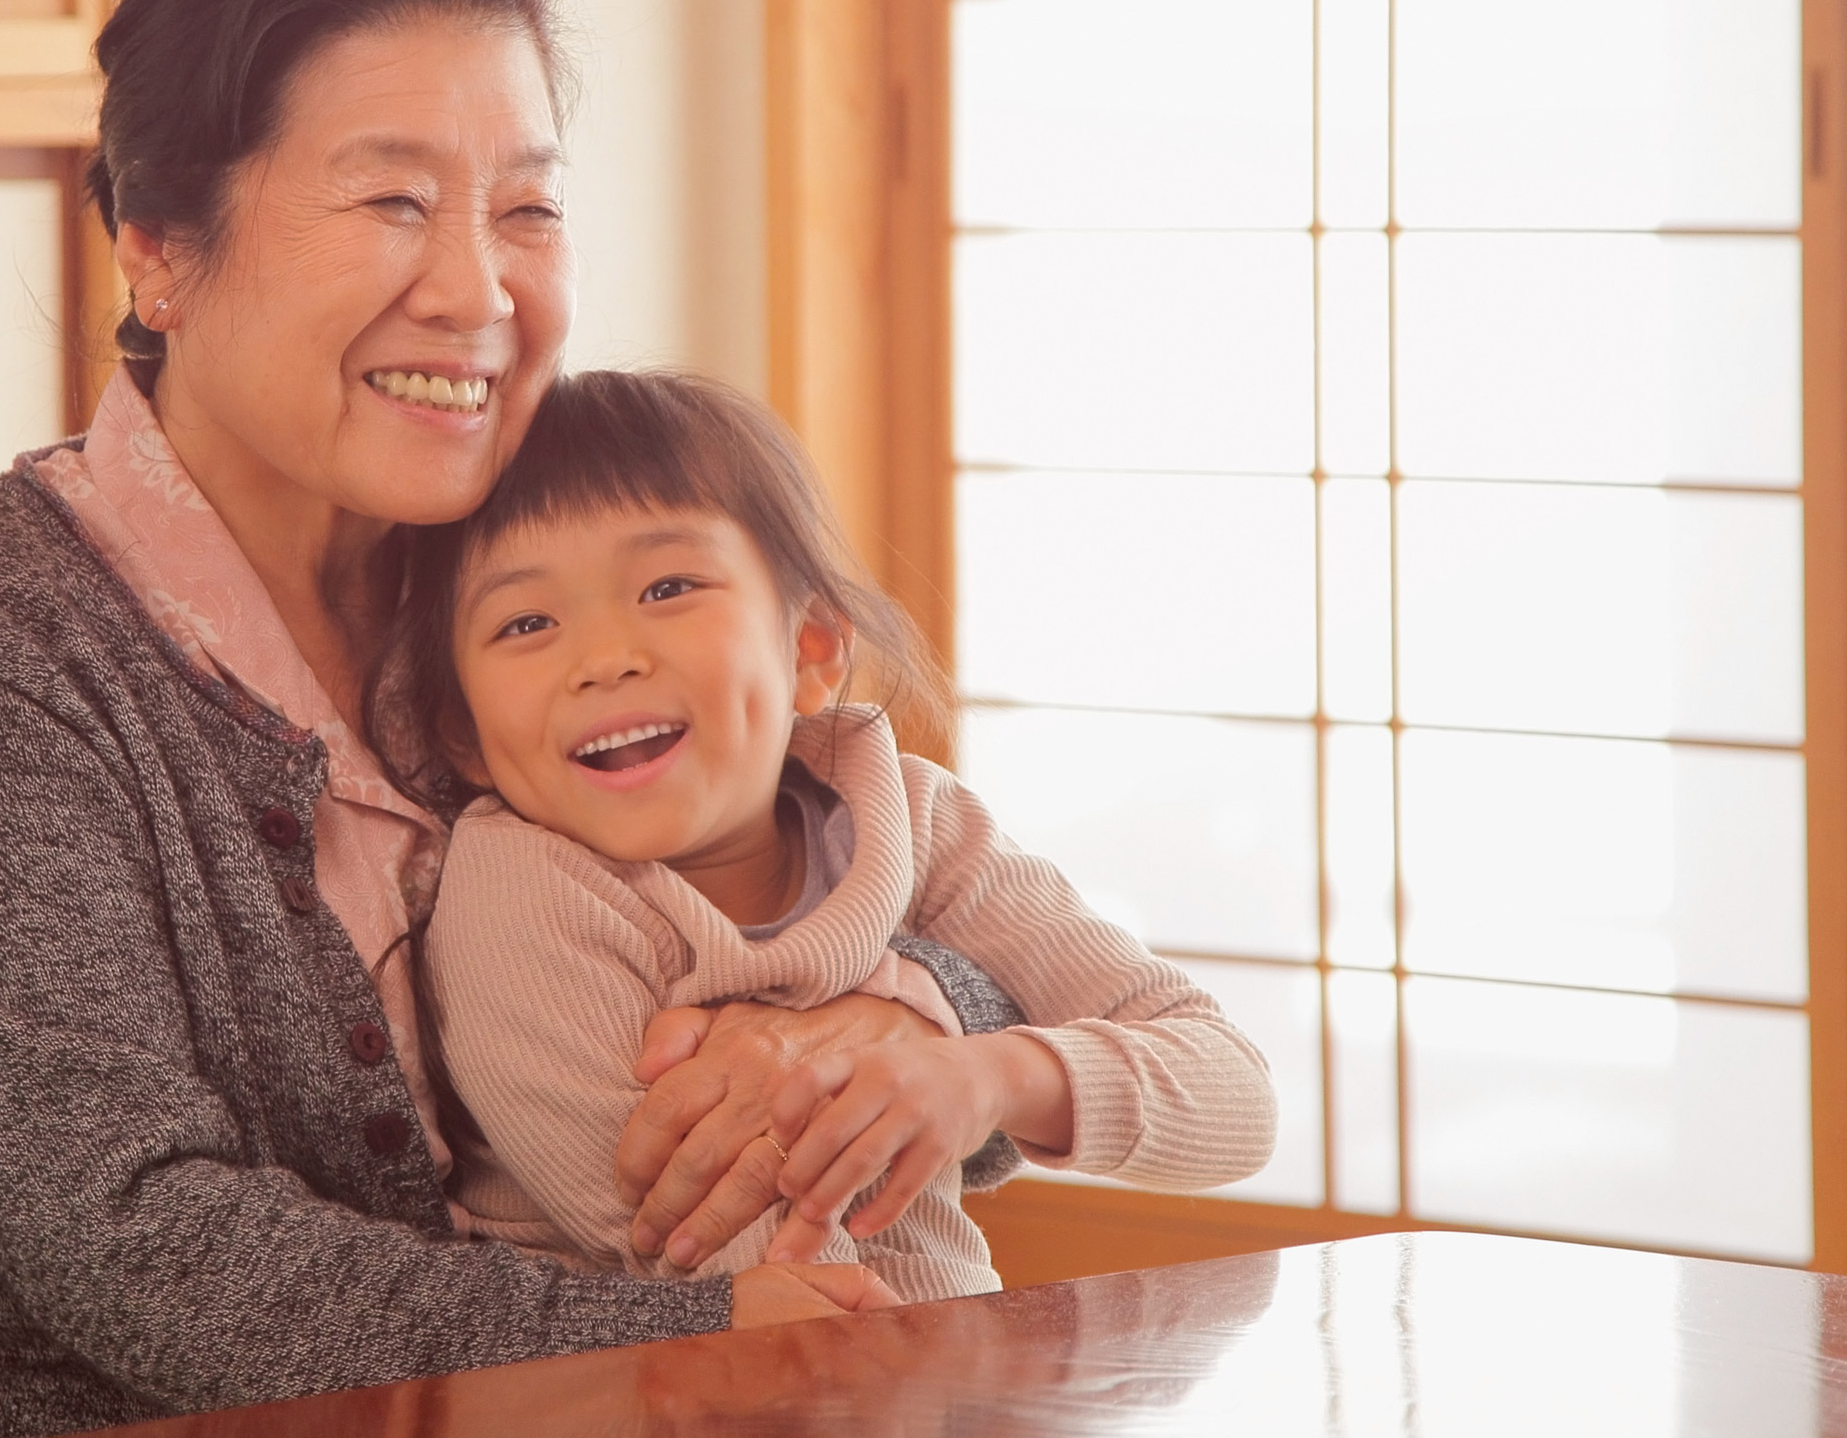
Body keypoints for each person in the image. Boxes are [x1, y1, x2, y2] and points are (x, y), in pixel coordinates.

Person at [0, 0, 1116, 1438]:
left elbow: (855, 888)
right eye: (393, 202)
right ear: (158, 247)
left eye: (528, 207)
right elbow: (140, 1240)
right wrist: (706, 1337)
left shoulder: (546, 591)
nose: (480, 290)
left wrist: (917, 1029)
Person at [392, 370, 1277, 1300]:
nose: (606, 658)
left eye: (668, 586)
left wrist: (986, 1076)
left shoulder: (908, 817)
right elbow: (753, 1267)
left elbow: (1235, 1100)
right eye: (527, 621)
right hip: (674, 1410)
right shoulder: (523, 898)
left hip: (926, 1380)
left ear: (811, 650)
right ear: (464, 734)